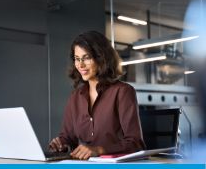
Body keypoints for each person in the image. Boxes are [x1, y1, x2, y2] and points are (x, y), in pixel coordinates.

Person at [47, 31, 146, 159]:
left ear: (101, 58)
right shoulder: (75, 97)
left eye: (86, 58)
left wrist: (99, 150)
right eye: (77, 59)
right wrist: (61, 145)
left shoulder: (123, 91)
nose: (80, 65)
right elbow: (69, 139)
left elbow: (135, 143)